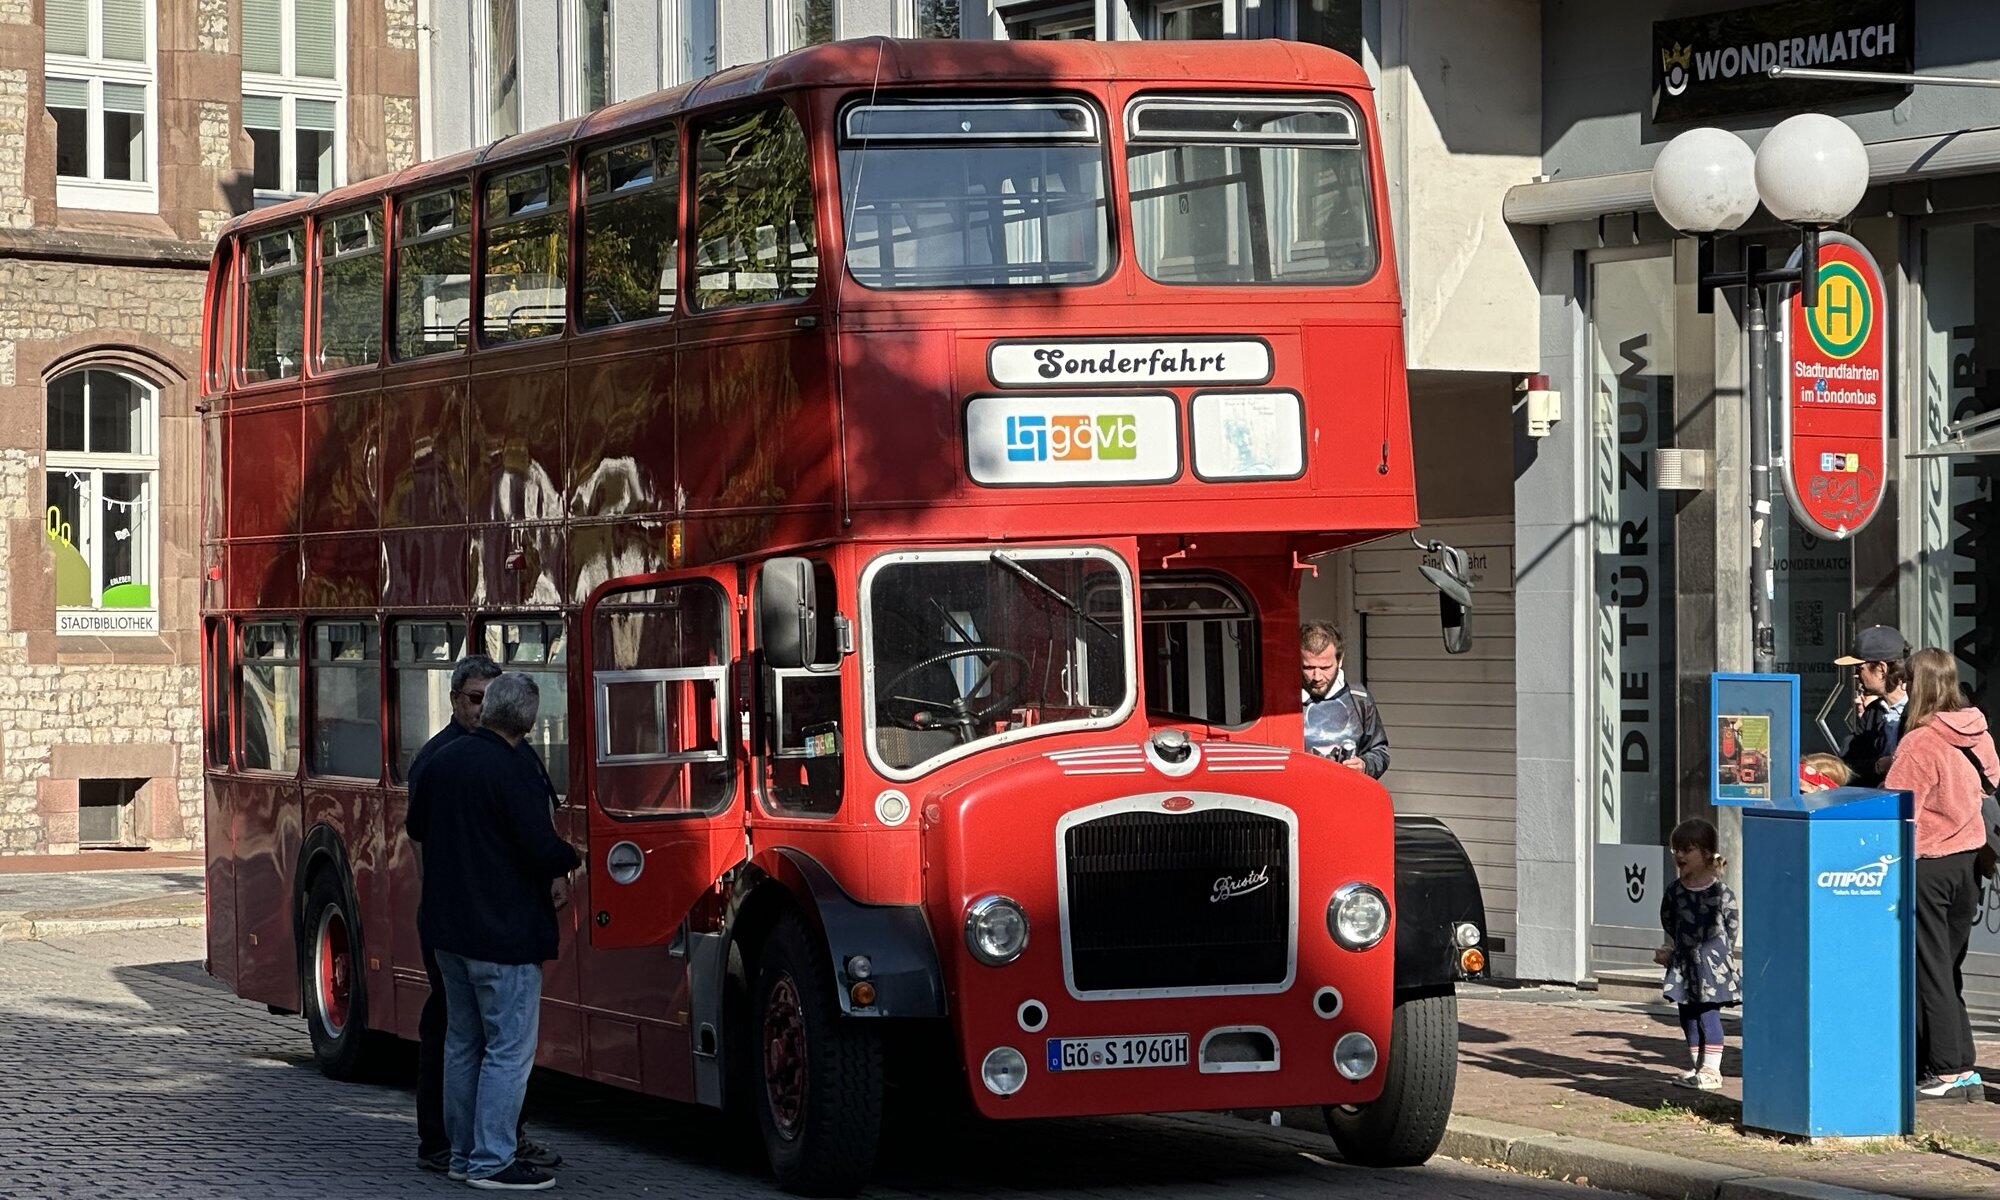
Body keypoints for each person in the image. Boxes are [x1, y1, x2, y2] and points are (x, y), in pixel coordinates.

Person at [412, 672, 581, 1190]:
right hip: (503, 933)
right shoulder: (516, 770)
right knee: (508, 1049)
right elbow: (540, 848)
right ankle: (492, 1160)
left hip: (448, 930)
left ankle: (462, 1154)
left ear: (487, 712)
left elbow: (416, 829)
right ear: (528, 721)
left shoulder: (439, 761)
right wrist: (575, 857)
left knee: (462, 1043)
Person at [1882, 648, 1993, 1100]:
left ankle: (1946, 1070)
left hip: (1928, 863)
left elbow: (1898, 805)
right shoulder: (1977, 730)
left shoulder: (1920, 742)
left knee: (1929, 968)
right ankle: (1961, 1064)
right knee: (1948, 967)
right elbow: (1992, 780)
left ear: (1916, 685)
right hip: (1968, 863)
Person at [1652, 818, 1740, 1091]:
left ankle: (1712, 1070)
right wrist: (1674, 949)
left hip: (1712, 968)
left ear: (1705, 854)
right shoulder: (1675, 892)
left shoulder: (1721, 893)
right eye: (1675, 849)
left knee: (1708, 1014)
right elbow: (1668, 920)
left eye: (1687, 849)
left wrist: (1719, 954)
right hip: (1684, 965)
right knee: (1686, 1015)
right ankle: (1696, 1065)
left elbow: (1731, 926)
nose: (1679, 855)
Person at [1300, 621, 1389, 778]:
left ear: (1339, 661)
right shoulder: (1280, 706)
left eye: (1325, 668)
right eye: (1308, 668)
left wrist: (1364, 765)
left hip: (1347, 795)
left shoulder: (1359, 699)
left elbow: (1380, 751)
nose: (1317, 677)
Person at [1834, 625, 1910, 788]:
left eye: (1859, 668)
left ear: (1881, 669)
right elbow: (1847, 764)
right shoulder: (1874, 712)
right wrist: (1877, 766)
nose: (1855, 675)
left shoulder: (1922, 710)